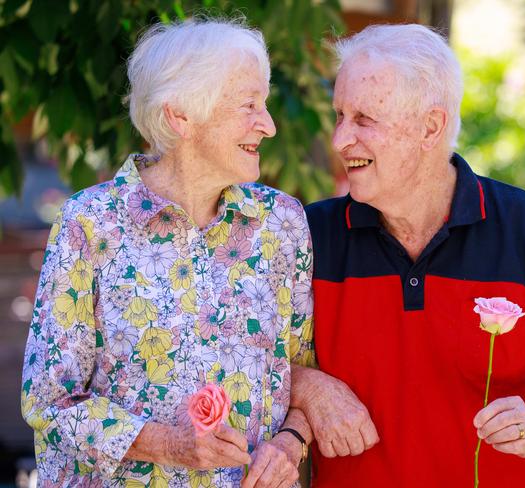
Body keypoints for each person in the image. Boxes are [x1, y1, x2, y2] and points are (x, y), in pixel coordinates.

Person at [291, 24, 525, 487]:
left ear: (431, 127)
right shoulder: (309, 234)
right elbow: (248, 358)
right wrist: (311, 387)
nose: (341, 139)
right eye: (339, 115)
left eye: (363, 119)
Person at [21, 18, 315, 488]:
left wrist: (291, 443)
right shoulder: (90, 223)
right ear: (181, 117)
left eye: (265, 104)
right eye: (248, 106)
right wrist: (169, 444)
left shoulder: (281, 224)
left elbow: (302, 370)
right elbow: (49, 400)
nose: (270, 125)